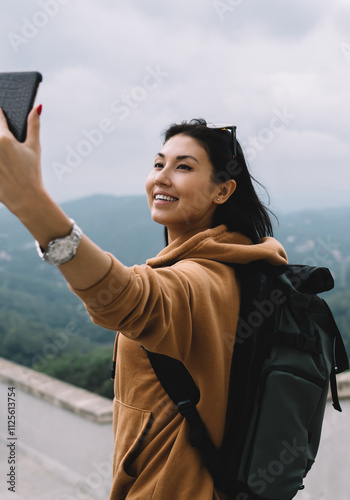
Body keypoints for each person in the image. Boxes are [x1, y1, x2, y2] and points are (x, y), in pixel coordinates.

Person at [0, 107, 288, 499]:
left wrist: (32, 203)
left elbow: (126, 299)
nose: (161, 177)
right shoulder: (238, 266)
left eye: (183, 167)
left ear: (223, 190)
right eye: (158, 163)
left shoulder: (202, 281)